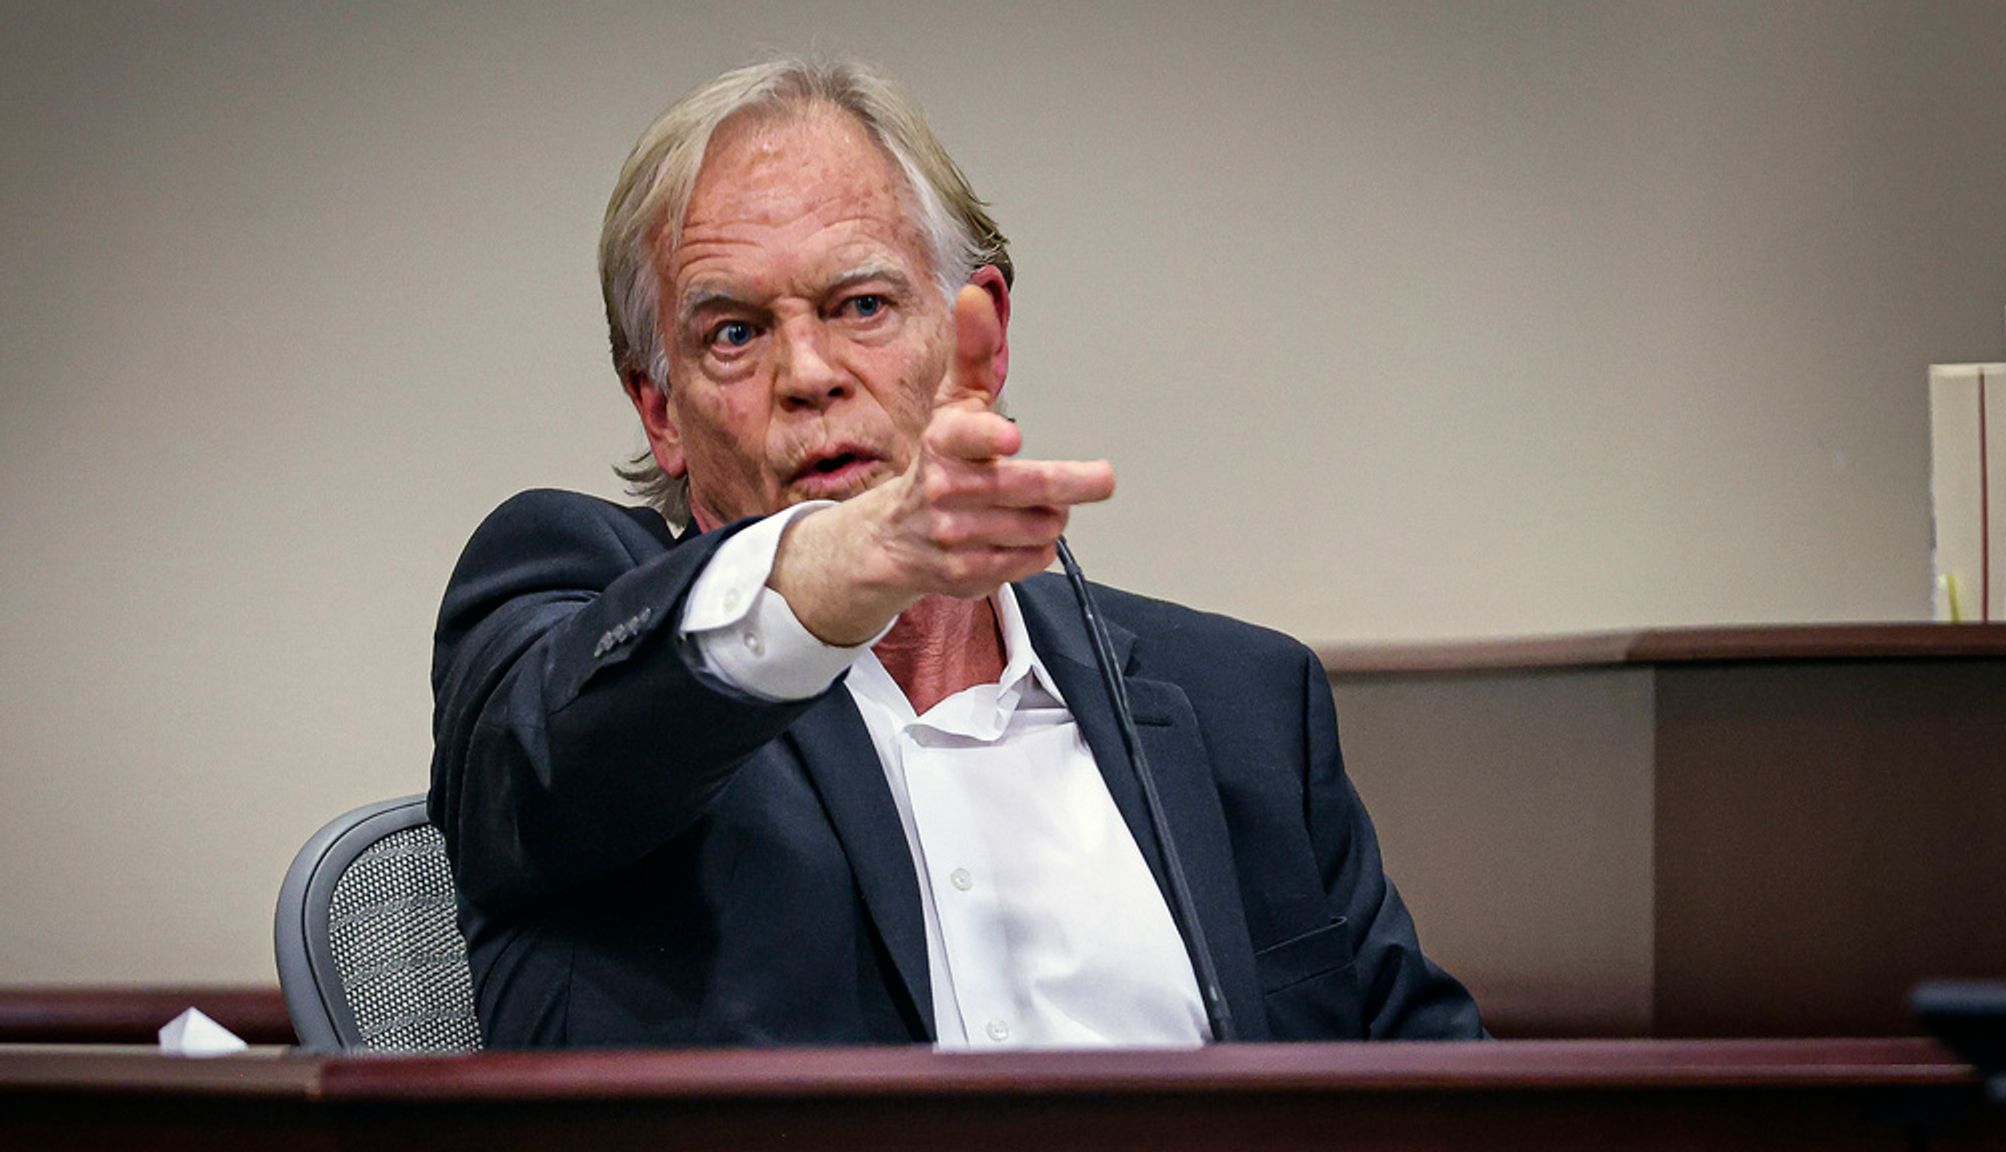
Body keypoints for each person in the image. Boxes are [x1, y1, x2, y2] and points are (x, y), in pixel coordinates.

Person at [429, 56, 1483, 1048]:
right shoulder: (574, 619)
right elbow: (535, 761)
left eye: (861, 307)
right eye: (735, 334)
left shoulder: (1241, 707)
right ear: (659, 410)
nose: (808, 373)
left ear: (979, 329)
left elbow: (1432, 1083)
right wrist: (844, 564)